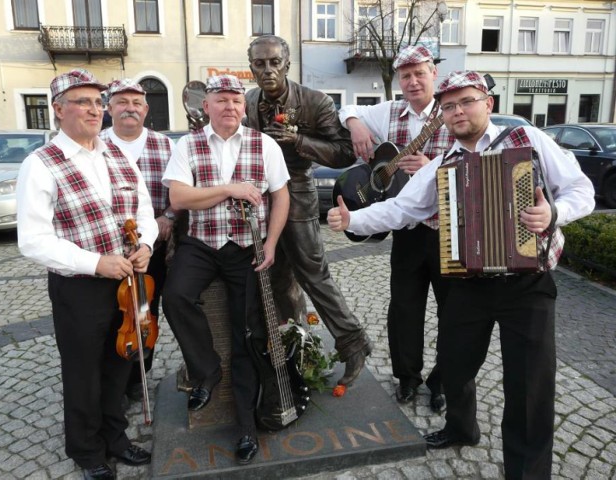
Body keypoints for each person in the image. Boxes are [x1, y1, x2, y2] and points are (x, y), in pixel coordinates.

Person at [328, 70, 594, 479]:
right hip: (468, 281)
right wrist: (354, 219)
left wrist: (553, 213)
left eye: (467, 101)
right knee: (454, 364)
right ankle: (461, 428)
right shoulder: (445, 163)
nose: (457, 111)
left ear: (488, 104)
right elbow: (403, 209)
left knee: (528, 385)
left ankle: (526, 473)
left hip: (528, 284)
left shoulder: (528, 142)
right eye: (449, 106)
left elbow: (581, 189)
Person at [16, 68, 157, 480]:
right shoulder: (40, 164)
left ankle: (115, 437)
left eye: (98, 102)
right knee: (83, 372)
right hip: (79, 288)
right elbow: (33, 239)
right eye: (83, 101)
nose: (94, 109)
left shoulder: (115, 153)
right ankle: (86, 449)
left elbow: (143, 209)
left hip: (127, 279)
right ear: (58, 110)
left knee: (119, 365)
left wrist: (146, 244)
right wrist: (96, 263)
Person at [161, 75, 290, 465]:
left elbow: (281, 196)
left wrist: (270, 243)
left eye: (236, 100)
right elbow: (179, 197)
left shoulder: (263, 143)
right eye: (221, 100)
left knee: (247, 334)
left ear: (243, 106)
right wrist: (229, 188)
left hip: (247, 246)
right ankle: (207, 370)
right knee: (175, 296)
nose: (230, 106)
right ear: (207, 106)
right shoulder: (189, 144)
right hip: (201, 244)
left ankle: (247, 428)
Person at [245, 34, 372, 386]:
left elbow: (345, 153)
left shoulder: (315, 102)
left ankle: (353, 341)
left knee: (312, 273)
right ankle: (293, 346)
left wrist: (299, 141)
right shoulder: (249, 100)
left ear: (287, 64)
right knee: (275, 278)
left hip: (297, 193)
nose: (268, 69)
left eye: (274, 62)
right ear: (251, 67)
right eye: (260, 63)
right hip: (261, 199)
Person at [338, 45, 453, 410]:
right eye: (406, 75)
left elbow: (478, 161)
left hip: (449, 228)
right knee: (404, 307)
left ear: (433, 73)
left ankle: (443, 382)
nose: (413, 81)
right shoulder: (389, 112)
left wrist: (434, 165)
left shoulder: (453, 109)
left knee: (453, 310)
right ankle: (407, 377)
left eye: (420, 73)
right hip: (406, 230)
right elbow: (348, 108)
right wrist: (355, 124)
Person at [99, 78, 176, 403]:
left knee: (145, 312)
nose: (129, 108)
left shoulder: (165, 145)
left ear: (145, 109)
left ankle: (137, 377)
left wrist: (167, 219)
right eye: (122, 102)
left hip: (152, 250)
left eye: (136, 103)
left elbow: (180, 192)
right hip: (106, 253)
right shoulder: (96, 142)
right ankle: (110, 381)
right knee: (110, 314)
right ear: (110, 108)